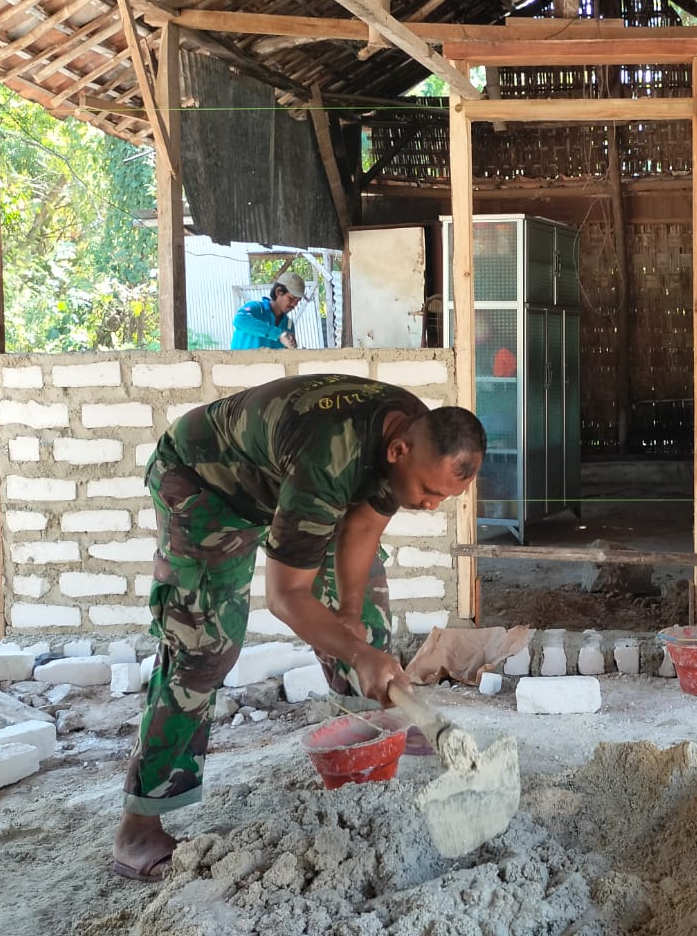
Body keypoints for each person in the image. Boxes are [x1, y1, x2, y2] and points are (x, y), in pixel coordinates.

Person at [111, 374, 486, 881]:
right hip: (205, 487)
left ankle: (367, 749)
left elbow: (363, 526)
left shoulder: (410, 429)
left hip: (285, 486)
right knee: (205, 649)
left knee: (367, 626)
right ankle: (140, 822)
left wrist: (351, 623)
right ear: (399, 451)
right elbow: (286, 597)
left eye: (445, 497)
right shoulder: (327, 458)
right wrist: (354, 654)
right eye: (427, 492)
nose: (430, 506)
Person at [231, 271, 307, 350]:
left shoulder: (288, 324)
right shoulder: (256, 308)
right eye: (291, 298)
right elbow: (239, 320)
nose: (294, 304)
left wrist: (294, 351)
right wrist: (278, 334)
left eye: (298, 301)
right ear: (278, 292)